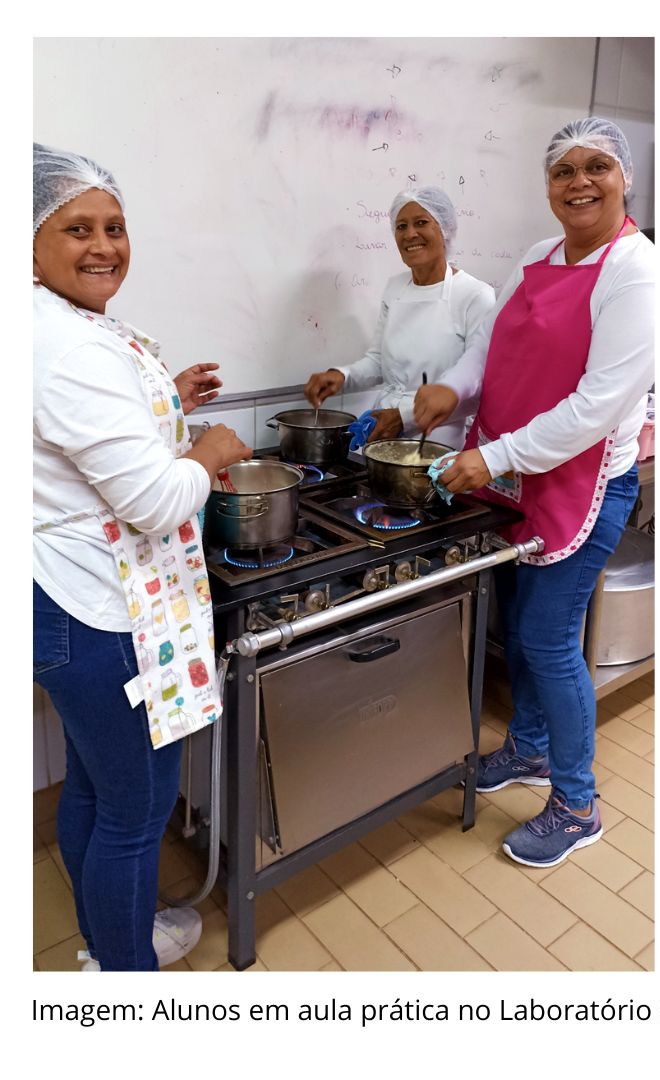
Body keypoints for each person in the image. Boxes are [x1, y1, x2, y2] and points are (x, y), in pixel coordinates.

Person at [32, 144, 251, 969]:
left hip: (64, 603)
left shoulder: (51, 324)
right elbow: (154, 500)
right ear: (28, 238)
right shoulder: (68, 350)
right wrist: (211, 453)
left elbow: (87, 442)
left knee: (94, 787)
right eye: (77, 227)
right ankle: (125, 983)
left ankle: (107, 947)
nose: (104, 245)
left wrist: (170, 405)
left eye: (115, 226)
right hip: (98, 614)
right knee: (136, 808)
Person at [412, 118, 653, 868]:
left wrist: (494, 457)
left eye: (598, 167)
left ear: (626, 179)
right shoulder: (537, 256)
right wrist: (453, 390)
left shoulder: (636, 271)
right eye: (564, 170)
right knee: (519, 630)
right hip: (521, 476)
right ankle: (530, 749)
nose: (579, 182)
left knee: (550, 642)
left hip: (584, 484)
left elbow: (600, 404)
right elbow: (490, 345)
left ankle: (579, 805)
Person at [301, 185, 496, 446]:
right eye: (401, 226)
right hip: (384, 430)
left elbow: (479, 391)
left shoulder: (475, 295)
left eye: (421, 223)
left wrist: (404, 418)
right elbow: (378, 360)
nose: (410, 234)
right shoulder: (395, 288)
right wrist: (341, 375)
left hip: (438, 441)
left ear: (445, 229)